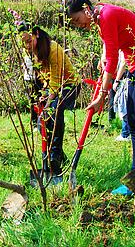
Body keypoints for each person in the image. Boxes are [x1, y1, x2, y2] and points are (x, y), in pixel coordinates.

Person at [65, 0, 135, 196]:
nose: (79, 25)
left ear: (86, 9)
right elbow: (109, 45)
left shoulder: (107, 15)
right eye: (74, 24)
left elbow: (112, 58)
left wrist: (102, 96)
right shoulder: (102, 14)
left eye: (77, 20)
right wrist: (103, 55)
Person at [19, 23, 81, 184]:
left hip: (69, 85)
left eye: (28, 40)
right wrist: (43, 95)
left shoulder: (54, 49)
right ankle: (59, 154)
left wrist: (48, 102)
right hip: (52, 88)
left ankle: (54, 161)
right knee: (41, 123)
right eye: (23, 43)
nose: (26, 45)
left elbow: (56, 79)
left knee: (53, 112)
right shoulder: (32, 52)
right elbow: (44, 79)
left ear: (36, 34)